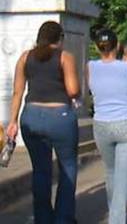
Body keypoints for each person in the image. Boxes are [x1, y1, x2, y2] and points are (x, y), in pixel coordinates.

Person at [6, 20, 80, 223]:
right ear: (60, 39)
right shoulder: (65, 57)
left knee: (40, 170)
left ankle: (43, 219)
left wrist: (12, 122)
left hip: (30, 116)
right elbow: (73, 90)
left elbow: (17, 92)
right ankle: (63, 218)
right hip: (59, 118)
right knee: (68, 167)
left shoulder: (24, 57)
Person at [88, 28, 127, 224]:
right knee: (123, 175)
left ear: (97, 47)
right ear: (118, 46)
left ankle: (117, 215)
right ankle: (117, 220)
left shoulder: (90, 66)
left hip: (102, 126)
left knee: (111, 172)